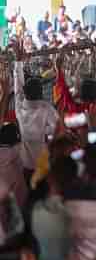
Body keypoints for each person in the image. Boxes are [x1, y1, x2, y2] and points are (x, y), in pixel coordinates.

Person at [14, 49, 59, 184]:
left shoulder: (20, 106)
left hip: (25, 164)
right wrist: (44, 133)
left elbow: (18, 88)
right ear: (40, 92)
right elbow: (57, 127)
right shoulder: (46, 109)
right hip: (43, 163)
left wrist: (18, 63)